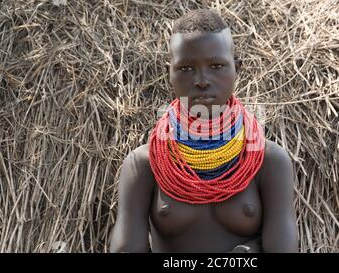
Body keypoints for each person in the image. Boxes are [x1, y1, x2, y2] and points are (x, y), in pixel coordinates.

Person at [110, 9, 298, 253]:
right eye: (186, 68)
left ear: (236, 68)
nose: (201, 80)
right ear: (170, 72)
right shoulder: (144, 165)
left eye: (217, 65)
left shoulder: (268, 161)